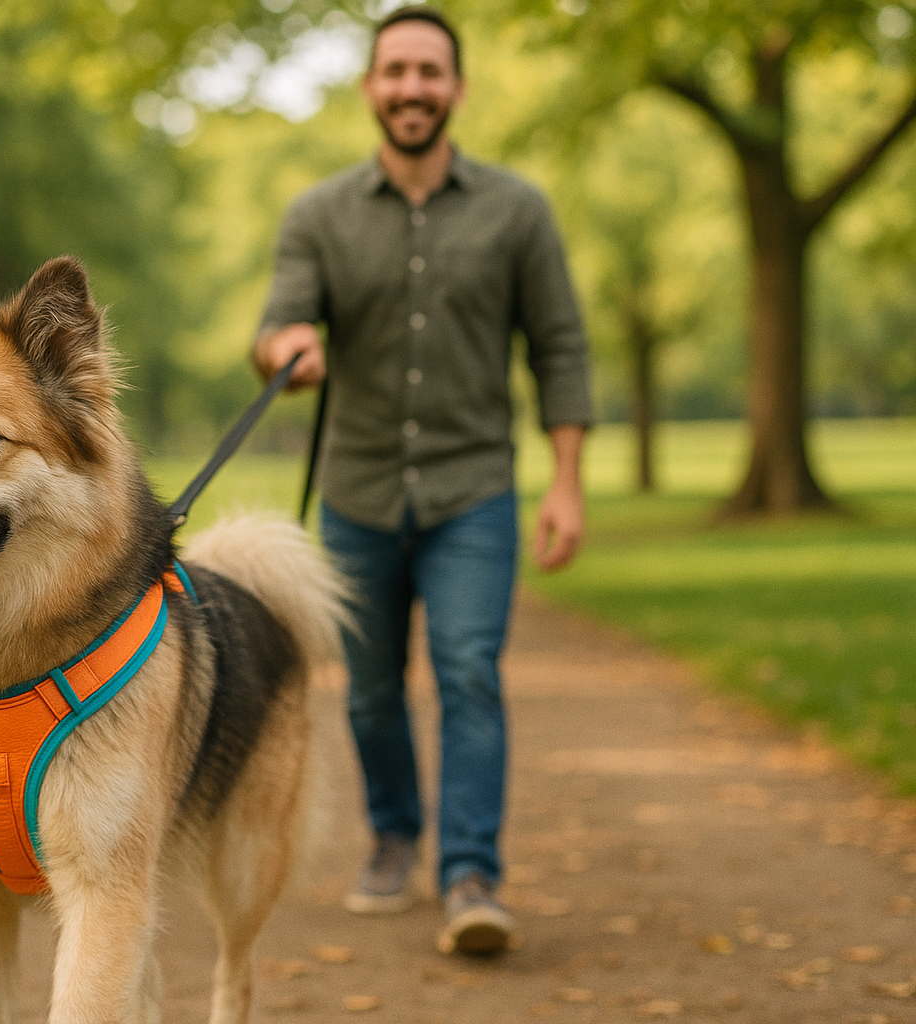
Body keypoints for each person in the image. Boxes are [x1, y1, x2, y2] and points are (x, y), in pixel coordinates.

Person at [251, 6, 592, 956]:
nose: (411, 88)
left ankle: (472, 873)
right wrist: (289, 345)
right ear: (371, 87)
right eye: (395, 70)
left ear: (457, 89)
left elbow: (560, 346)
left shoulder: (517, 210)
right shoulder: (316, 215)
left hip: (472, 488)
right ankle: (396, 834)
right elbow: (277, 321)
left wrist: (566, 483)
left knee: (469, 673)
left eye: (429, 72)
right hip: (357, 491)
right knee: (367, 689)